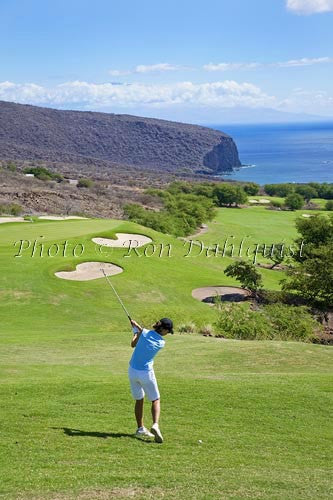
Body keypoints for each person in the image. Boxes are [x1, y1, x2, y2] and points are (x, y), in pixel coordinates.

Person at [128, 317, 173, 443]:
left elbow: (133, 344)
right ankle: (155, 424)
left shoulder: (144, 333)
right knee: (155, 399)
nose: (168, 333)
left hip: (132, 371)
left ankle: (140, 428)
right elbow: (144, 333)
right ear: (163, 329)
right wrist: (138, 329)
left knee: (139, 399)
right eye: (168, 331)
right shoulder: (161, 343)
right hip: (146, 373)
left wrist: (136, 332)